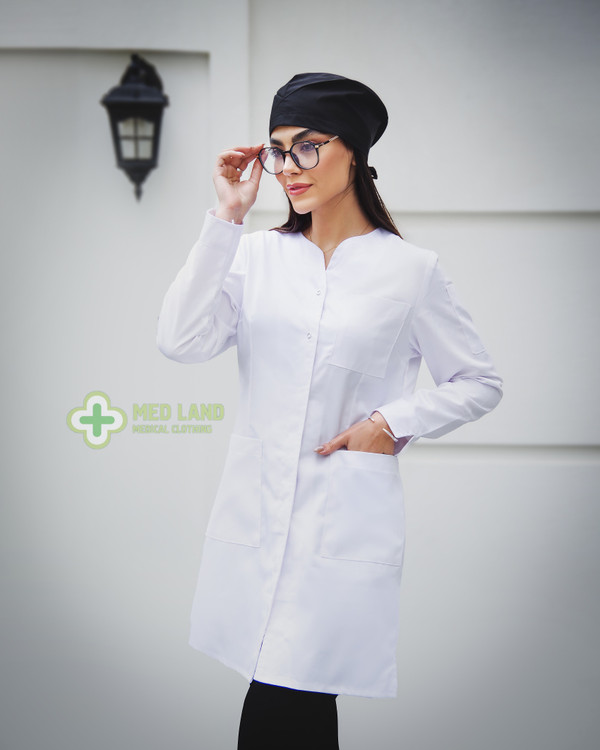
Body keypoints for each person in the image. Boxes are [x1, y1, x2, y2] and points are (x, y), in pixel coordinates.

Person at [157, 72, 502, 749]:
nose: (289, 166)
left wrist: (390, 423)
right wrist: (226, 218)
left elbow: (478, 381)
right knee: (288, 701)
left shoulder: (411, 271)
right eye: (278, 149)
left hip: (339, 524)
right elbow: (179, 340)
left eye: (308, 146)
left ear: (354, 152)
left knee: (291, 699)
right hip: (257, 517)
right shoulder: (255, 256)